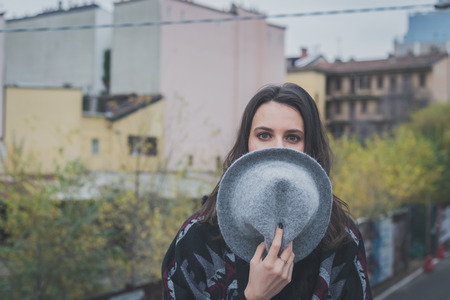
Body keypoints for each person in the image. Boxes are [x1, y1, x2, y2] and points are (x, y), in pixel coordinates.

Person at [162, 83, 372, 299]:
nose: (277, 148)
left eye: (293, 137)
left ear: (310, 148)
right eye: (264, 135)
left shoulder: (342, 238)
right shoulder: (197, 239)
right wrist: (254, 297)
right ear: (246, 144)